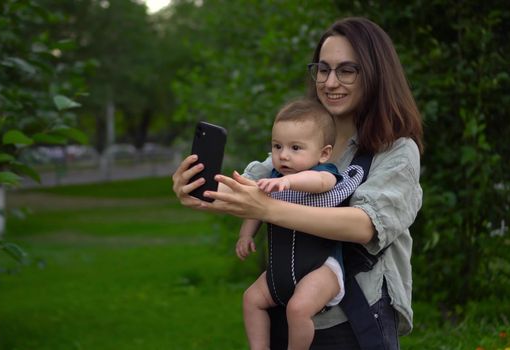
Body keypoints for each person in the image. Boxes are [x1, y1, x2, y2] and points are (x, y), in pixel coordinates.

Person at [172, 16, 423, 349]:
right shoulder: (303, 140)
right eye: (323, 69)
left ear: (375, 74)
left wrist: (268, 208)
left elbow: (365, 225)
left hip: (353, 323)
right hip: (286, 315)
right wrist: (199, 189)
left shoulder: (397, 149)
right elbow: (248, 189)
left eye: (347, 70)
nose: (330, 82)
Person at [237, 98, 350, 350]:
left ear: (323, 153)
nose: (283, 155)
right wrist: (246, 235)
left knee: (298, 309)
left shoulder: (325, 172)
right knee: (251, 299)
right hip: (281, 267)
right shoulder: (273, 178)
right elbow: (254, 208)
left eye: (295, 148)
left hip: (322, 267)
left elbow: (319, 183)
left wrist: (289, 183)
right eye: (277, 146)